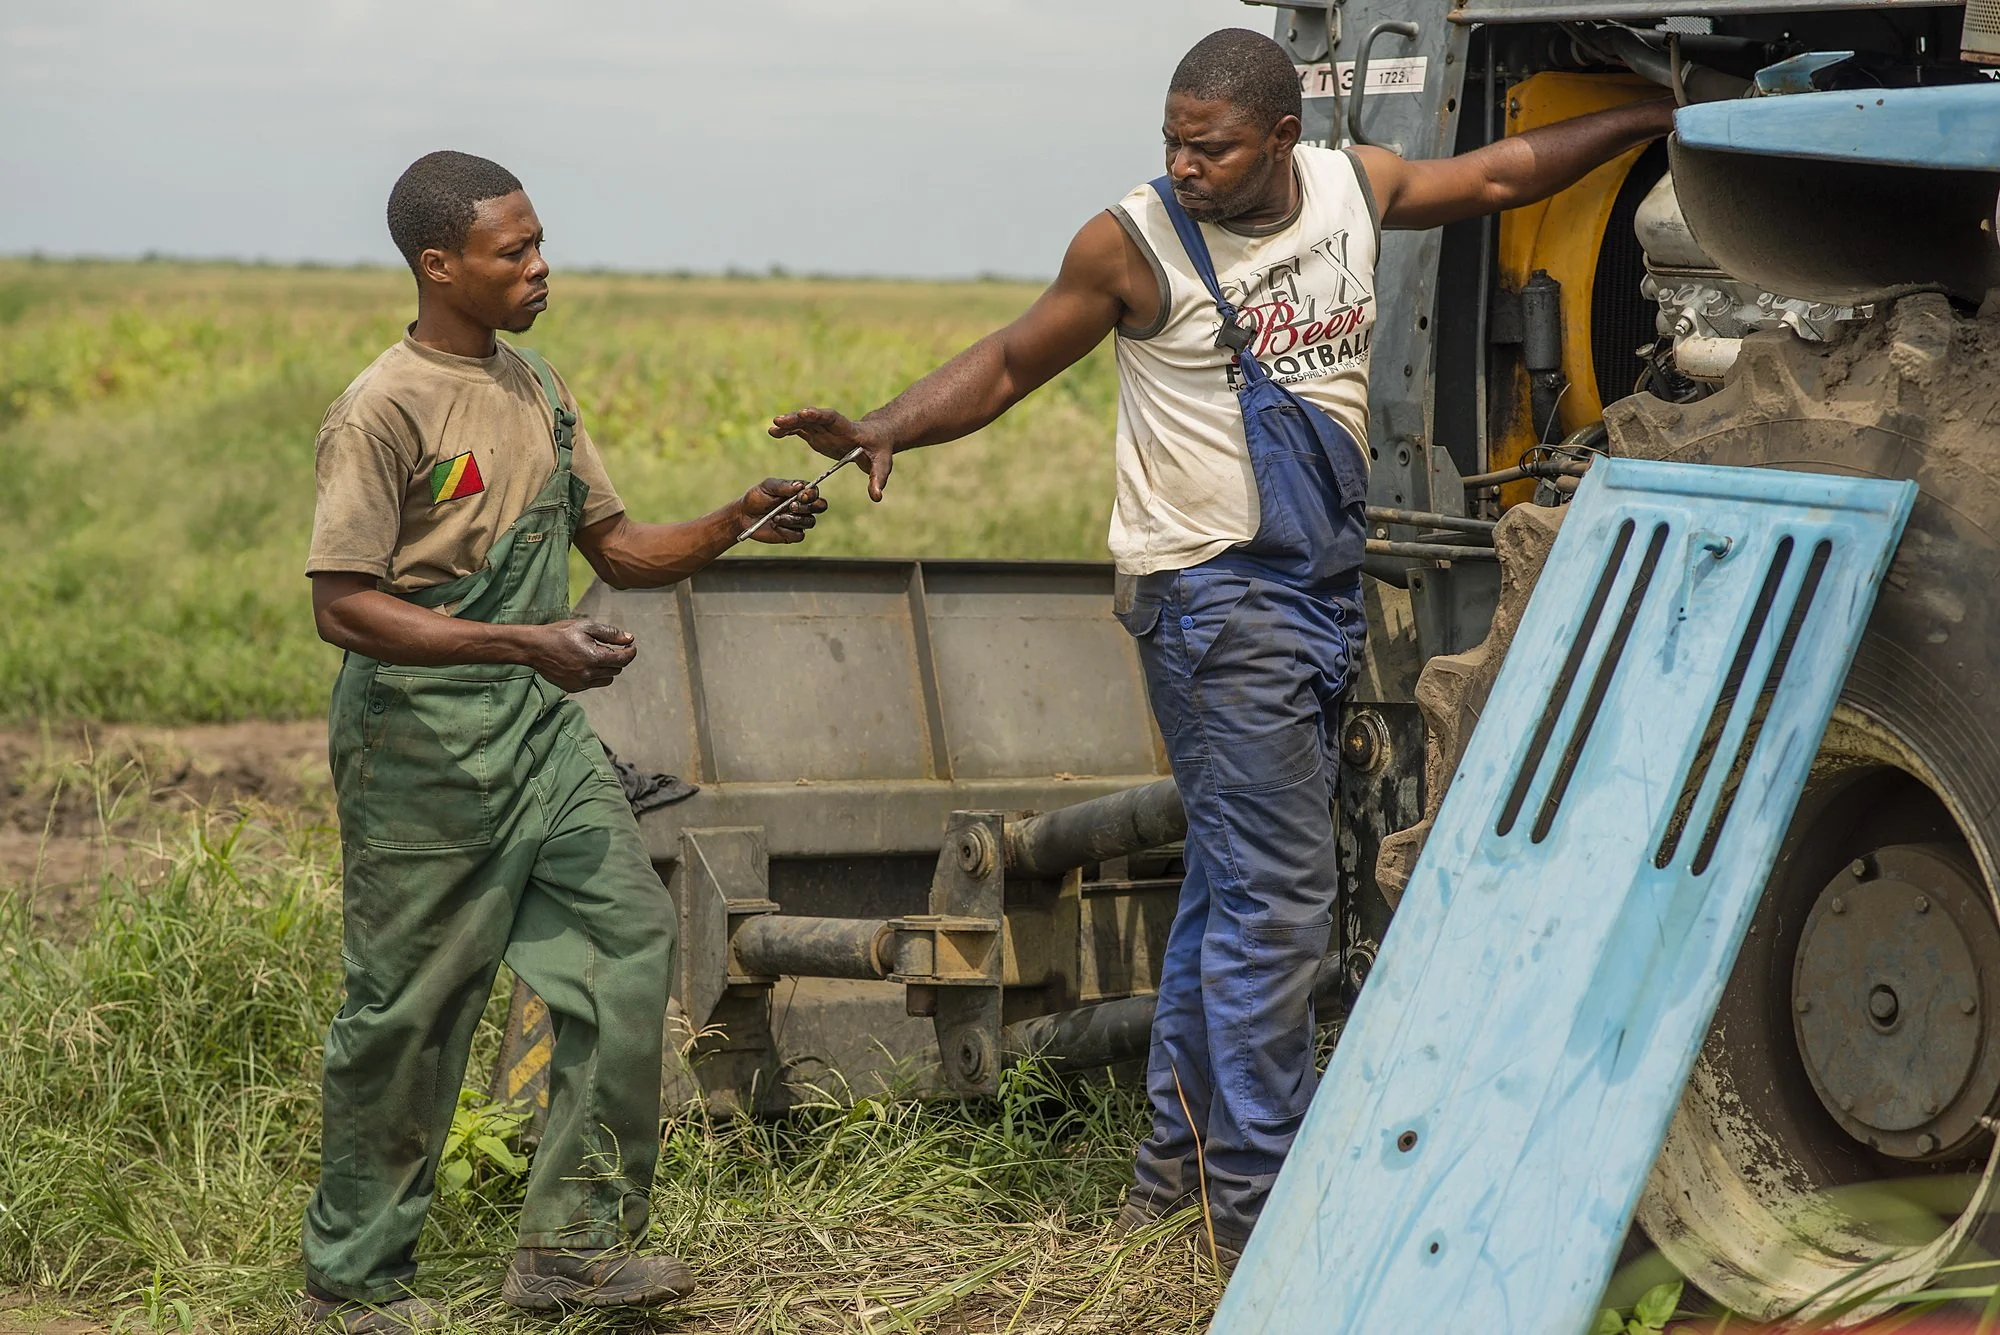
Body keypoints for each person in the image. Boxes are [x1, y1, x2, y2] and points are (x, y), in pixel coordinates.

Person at [770, 29, 1672, 1269]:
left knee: (1230, 891)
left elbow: (1501, 173)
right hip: (1212, 602)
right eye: (1172, 141)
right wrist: (886, 426)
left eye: (1210, 147)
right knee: (1282, 906)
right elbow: (1012, 360)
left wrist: (1645, 122)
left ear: (1281, 139)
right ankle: (1256, 1212)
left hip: (1313, 588)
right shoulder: (1133, 245)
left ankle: (1175, 1183)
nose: (1182, 165)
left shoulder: (1352, 187)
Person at [301, 150, 828, 1330]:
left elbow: (622, 550)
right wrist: (523, 643)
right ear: (440, 265)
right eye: (514, 251)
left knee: (626, 945)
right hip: (419, 746)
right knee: (409, 1013)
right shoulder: (383, 407)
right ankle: (352, 1283)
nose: (542, 266)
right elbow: (343, 606)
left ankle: (573, 1249)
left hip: (539, 737)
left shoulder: (537, 385)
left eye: (539, 242)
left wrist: (740, 519)